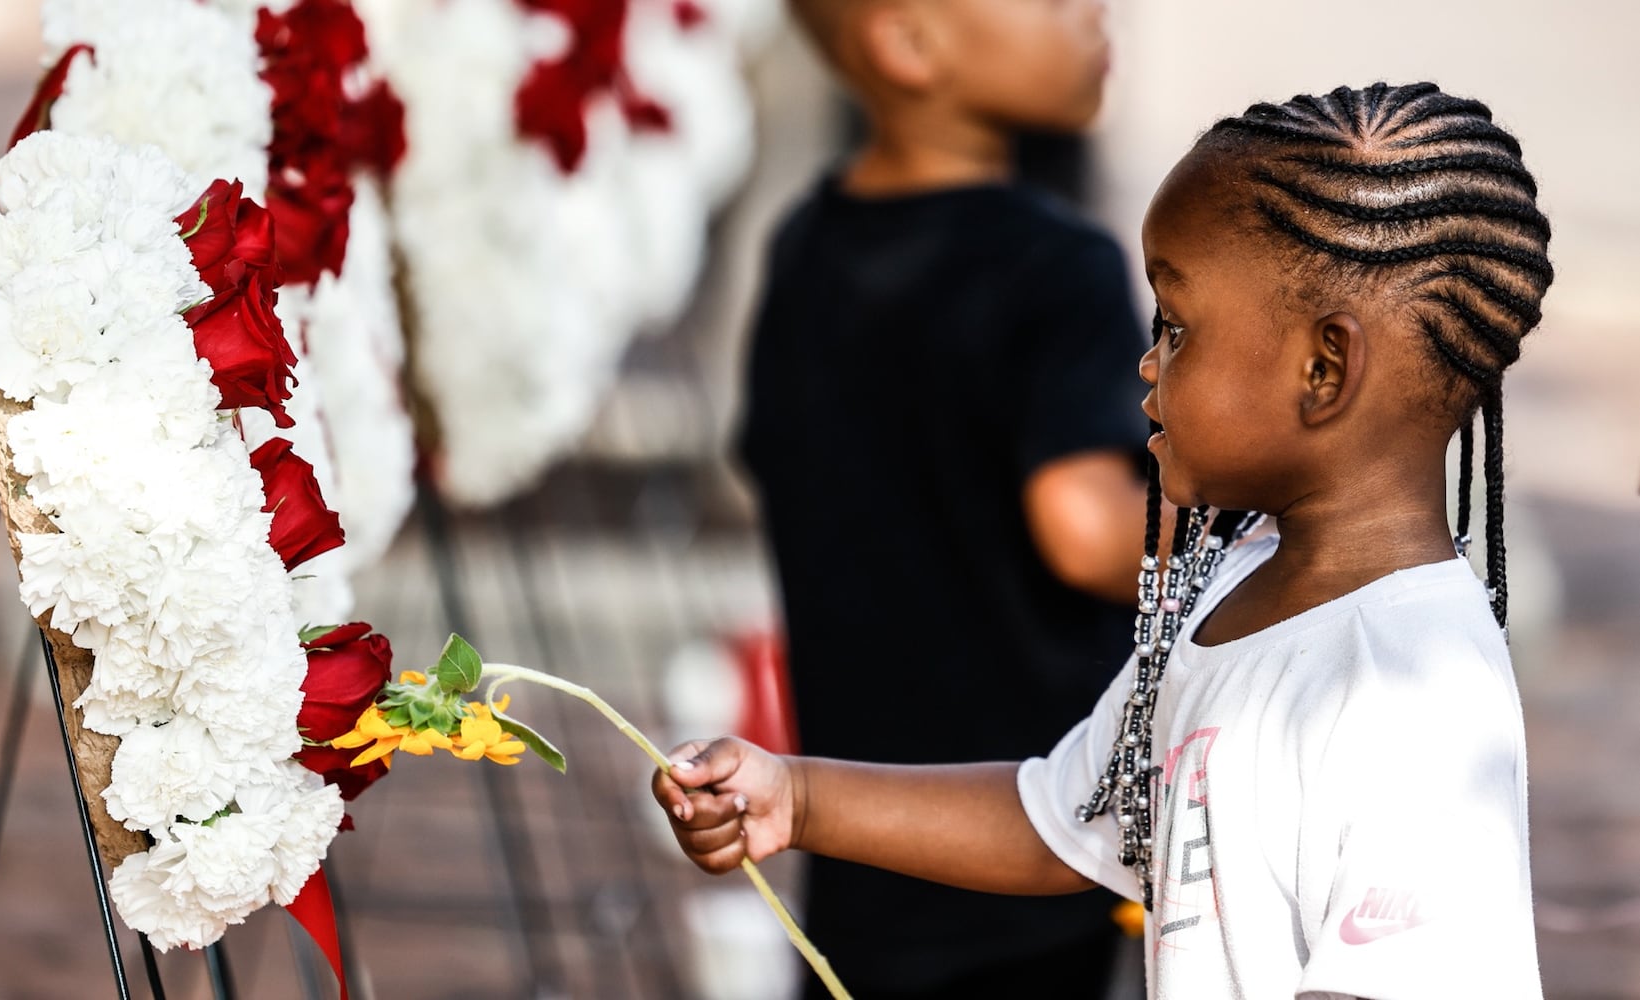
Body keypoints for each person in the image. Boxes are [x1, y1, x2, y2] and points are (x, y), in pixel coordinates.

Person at [660, 81, 1553, 998]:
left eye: (1175, 325)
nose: (1145, 360)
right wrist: (798, 797)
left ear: (1322, 369)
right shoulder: (1222, 586)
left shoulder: (1415, 687)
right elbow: (1060, 817)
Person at [730, 0, 1161, 995]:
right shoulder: (1057, 263)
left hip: (856, 834)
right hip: (1026, 837)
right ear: (907, 41)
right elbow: (1087, 525)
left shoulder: (803, 246)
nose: (1097, 12)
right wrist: (1274, 526)